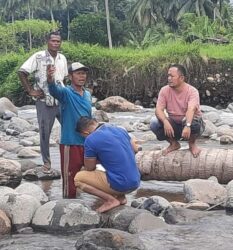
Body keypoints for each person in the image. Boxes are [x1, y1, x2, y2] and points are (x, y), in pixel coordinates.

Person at [18, 31, 68, 173]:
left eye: (58, 41)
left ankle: (72, 159)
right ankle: (46, 163)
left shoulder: (62, 58)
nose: (55, 43)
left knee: (70, 128)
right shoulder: (38, 56)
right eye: (53, 41)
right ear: (47, 41)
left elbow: (63, 78)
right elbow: (22, 72)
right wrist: (30, 91)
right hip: (44, 101)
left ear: (60, 43)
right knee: (45, 133)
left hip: (61, 101)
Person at [74, 116, 141, 213]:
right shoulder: (119, 130)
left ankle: (111, 200)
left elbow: (89, 168)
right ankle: (121, 197)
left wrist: (97, 158)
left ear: (85, 133)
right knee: (112, 166)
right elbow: (135, 149)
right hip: (135, 182)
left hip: (121, 184)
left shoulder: (90, 139)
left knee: (78, 178)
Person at [47, 62, 92, 198]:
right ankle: (67, 205)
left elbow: (89, 118)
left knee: (92, 174)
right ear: (70, 76)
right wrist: (50, 78)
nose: (82, 76)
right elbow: (54, 89)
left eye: (83, 73)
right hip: (70, 143)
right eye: (78, 73)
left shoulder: (87, 95)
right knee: (69, 179)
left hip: (87, 143)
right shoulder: (66, 92)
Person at [150, 64, 205, 158]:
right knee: (154, 123)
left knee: (193, 122)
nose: (169, 78)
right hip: (174, 123)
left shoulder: (192, 91)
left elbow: (191, 109)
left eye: (172, 76)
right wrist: (165, 121)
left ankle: (192, 144)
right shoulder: (164, 90)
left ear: (182, 78)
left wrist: (187, 125)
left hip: (190, 124)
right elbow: (158, 109)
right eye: (168, 76)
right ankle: (173, 144)